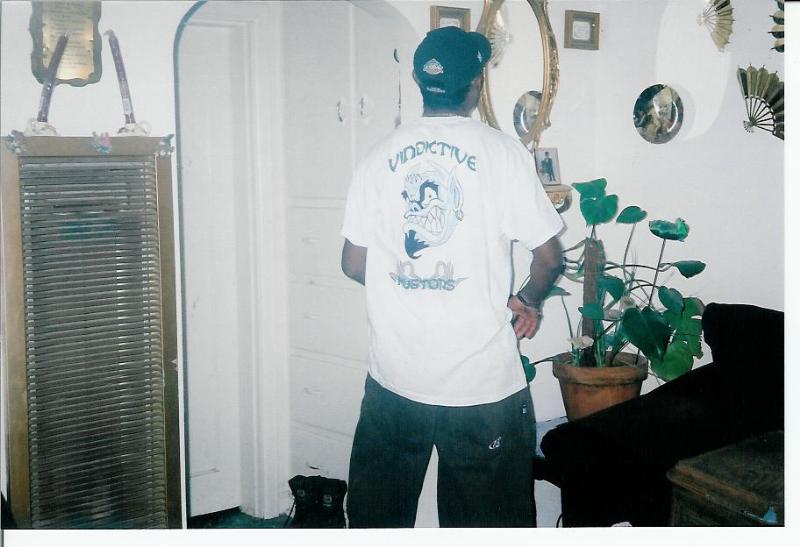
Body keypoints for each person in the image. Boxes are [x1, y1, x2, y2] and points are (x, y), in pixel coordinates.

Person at [340, 26, 564, 528]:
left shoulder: (376, 158)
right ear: (477, 84)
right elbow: (549, 258)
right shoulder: (504, 154)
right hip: (481, 389)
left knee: (378, 520)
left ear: (419, 81)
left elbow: (353, 264)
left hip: (394, 380)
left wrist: (404, 284)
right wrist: (528, 299)